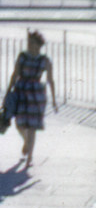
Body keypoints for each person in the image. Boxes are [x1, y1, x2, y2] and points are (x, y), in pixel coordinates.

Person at [5, 30, 58, 168]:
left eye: (31, 43)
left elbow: (51, 80)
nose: (28, 45)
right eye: (28, 42)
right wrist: (8, 91)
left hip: (36, 95)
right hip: (21, 92)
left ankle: (30, 157)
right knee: (20, 124)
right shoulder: (22, 56)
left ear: (38, 45)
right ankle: (26, 143)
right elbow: (15, 74)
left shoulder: (45, 60)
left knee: (32, 127)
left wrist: (54, 100)